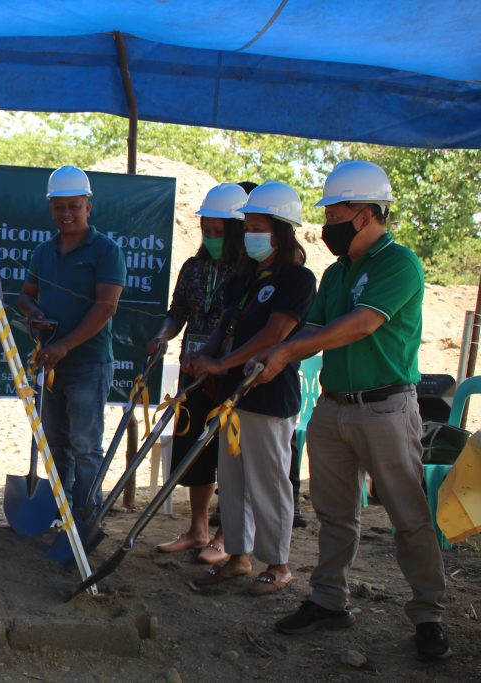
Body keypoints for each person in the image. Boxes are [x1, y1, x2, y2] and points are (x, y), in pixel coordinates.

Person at [253, 161, 450, 660]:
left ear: (363, 215)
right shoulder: (337, 273)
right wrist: (271, 350)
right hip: (334, 407)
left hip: (386, 407)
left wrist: (286, 352)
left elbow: (359, 326)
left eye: (335, 211)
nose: (327, 224)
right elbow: (309, 329)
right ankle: (328, 600)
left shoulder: (398, 264)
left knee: (408, 514)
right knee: (334, 512)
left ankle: (428, 615)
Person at [185, 181, 316, 595]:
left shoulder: (297, 279)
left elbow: (275, 333)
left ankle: (277, 565)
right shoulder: (244, 277)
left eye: (259, 226)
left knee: (269, 481)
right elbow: (224, 326)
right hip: (231, 396)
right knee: (235, 480)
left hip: (268, 396)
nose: (251, 234)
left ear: (281, 231)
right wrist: (206, 358)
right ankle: (238, 558)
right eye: (249, 226)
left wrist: (223, 362)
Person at [18, 165, 126, 512]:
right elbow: (25, 296)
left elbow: (106, 306)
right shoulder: (43, 251)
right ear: (51, 208)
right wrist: (33, 312)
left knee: (85, 446)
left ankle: (85, 517)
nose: (66, 214)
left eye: (74, 206)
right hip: (49, 365)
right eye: (59, 206)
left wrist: (65, 345)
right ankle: (58, 512)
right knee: (54, 445)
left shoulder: (106, 250)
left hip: (87, 364)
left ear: (88, 207)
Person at [151, 182, 248, 563]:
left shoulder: (247, 273)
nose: (211, 238)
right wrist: (162, 337)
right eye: (206, 231)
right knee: (194, 452)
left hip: (230, 375)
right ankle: (197, 529)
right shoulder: (193, 268)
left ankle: (225, 538)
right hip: (192, 372)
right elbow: (177, 312)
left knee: (230, 455)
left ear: (237, 232)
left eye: (219, 233)